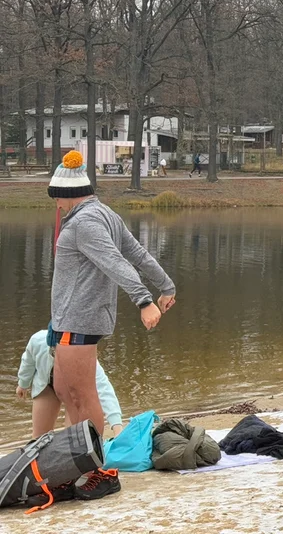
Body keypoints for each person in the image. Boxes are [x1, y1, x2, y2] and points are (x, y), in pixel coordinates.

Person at [47, 150, 177, 500]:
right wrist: (166, 286)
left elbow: (118, 263)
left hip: (80, 317)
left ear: (64, 193)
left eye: (55, 197)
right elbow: (139, 254)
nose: (56, 204)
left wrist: (145, 300)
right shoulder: (103, 213)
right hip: (67, 319)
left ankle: (101, 472)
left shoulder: (87, 222)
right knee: (65, 391)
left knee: (82, 395)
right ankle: (77, 465)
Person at [17, 329, 124, 440]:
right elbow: (28, 362)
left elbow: (103, 388)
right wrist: (23, 384)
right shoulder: (37, 340)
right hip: (46, 385)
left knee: (73, 436)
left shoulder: (83, 356)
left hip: (73, 390)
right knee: (39, 437)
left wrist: (117, 426)